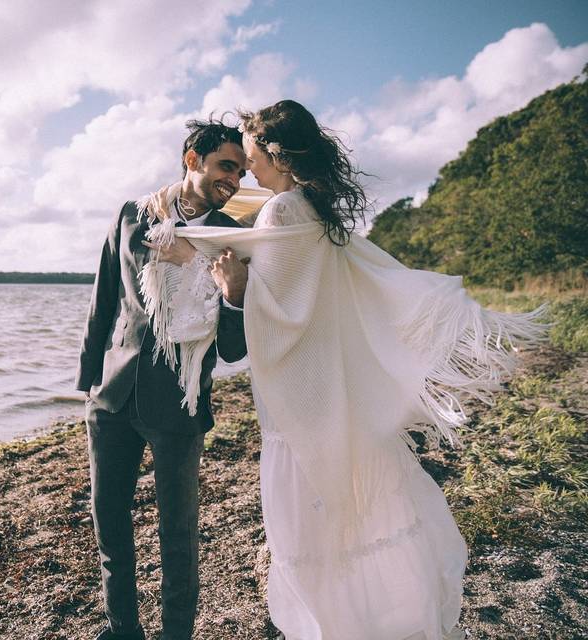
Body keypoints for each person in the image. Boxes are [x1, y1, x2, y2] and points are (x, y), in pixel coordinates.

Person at [144, 100, 545, 640]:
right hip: (331, 388)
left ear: (274, 151)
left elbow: (282, 311)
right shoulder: (309, 207)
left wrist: (234, 290)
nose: (246, 168)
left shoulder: (280, 211)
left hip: (298, 400)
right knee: (362, 520)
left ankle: (338, 626)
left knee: (312, 533)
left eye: (251, 152)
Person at [75, 117, 250, 640]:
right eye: (225, 166)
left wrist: (234, 295)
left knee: (177, 534)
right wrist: (89, 379)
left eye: (240, 172)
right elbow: (104, 299)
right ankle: (121, 628)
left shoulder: (232, 236)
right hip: (112, 396)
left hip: (180, 399)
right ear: (192, 160)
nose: (234, 181)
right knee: (109, 519)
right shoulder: (132, 215)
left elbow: (234, 346)